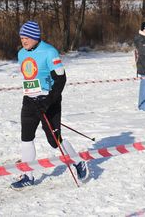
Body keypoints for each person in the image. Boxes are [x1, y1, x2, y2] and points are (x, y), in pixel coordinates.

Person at [10, 21, 89, 189]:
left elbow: (61, 79)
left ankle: (78, 161)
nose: (23, 41)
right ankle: (28, 175)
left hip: (49, 101)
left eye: (26, 38)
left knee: (54, 141)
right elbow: (29, 78)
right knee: (26, 138)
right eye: (21, 38)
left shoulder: (49, 51)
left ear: (35, 37)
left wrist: (48, 101)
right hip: (29, 101)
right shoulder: (21, 54)